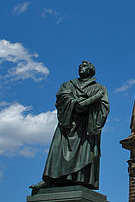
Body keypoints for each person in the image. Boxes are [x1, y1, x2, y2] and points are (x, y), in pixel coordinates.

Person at [30, 61, 109, 192]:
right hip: (67, 124)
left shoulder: (99, 88)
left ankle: (78, 178)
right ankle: (50, 179)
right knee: (57, 151)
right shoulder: (67, 85)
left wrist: (88, 104)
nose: (81, 68)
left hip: (85, 126)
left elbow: (103, 108)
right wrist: (84, 102)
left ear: (91, 70)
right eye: (80, 66)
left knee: (83, 152)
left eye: (84, 66)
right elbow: (62, 100)